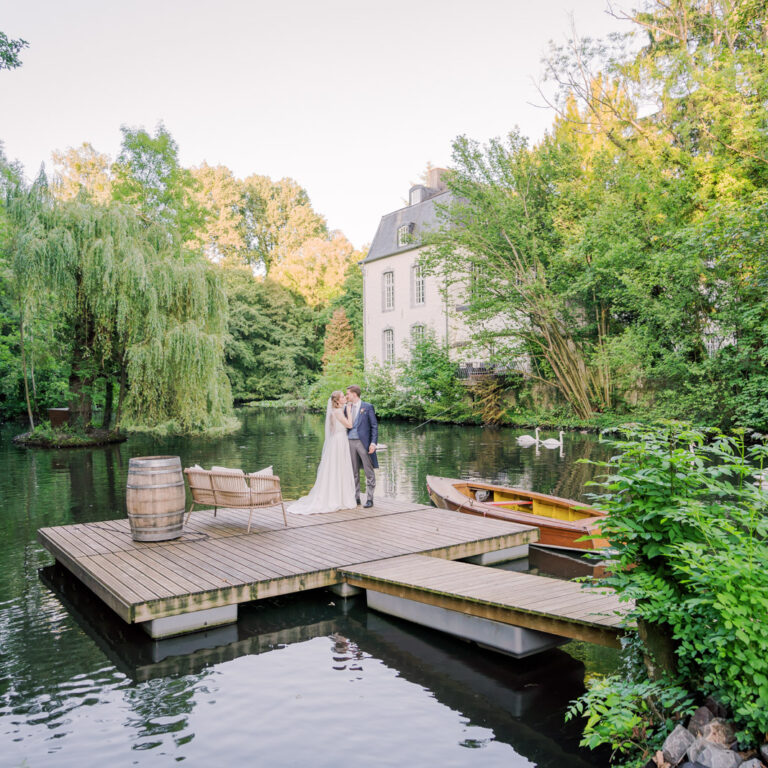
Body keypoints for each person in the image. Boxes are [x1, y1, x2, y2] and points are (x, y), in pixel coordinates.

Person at [289, 391, 357, 515]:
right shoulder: (338, 412)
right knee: (339, 467)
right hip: (339, 441)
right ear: (337, 401)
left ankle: (338, 496)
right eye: (342, 397)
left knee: (336, 468)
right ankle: (338, 498)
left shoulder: (334, 411)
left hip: (336, 441)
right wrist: (349, 411)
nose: (344, 398)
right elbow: (349, 425)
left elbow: (332, 429)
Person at [345, 384, 378, 508]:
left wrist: (373, 443)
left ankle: (370, 499)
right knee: (353, 471)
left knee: (369, 471)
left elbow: (374, 426)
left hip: (364, 443)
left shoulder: (368, 407)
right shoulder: (346, 408)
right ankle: (356, 497)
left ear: (354, 394)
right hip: (349, 442)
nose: (346, 396)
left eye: (348, 394)